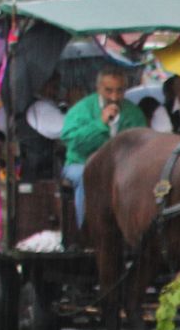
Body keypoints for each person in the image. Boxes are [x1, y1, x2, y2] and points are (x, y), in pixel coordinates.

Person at [60, 65, 140, 227]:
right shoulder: (81, 109)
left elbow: (141, 146)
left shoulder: (133, 113)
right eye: (108, 90)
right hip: (80, 164)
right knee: (87, 176)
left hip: (122, 168)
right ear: (98, 88)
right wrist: (100, 123)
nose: (114, 97)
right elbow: (75, 144)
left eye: (119, 91)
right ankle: (87, 228)